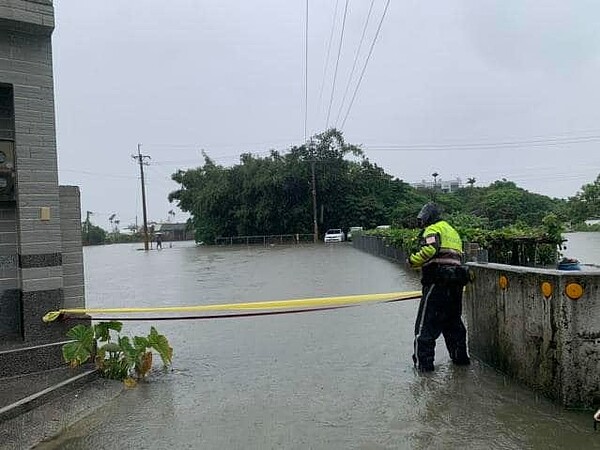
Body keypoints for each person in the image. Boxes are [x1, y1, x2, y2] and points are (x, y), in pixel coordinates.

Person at [408, 202, 470, 372]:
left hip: (437, 283)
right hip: (456, 284)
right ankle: (461, 363)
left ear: (428, 217)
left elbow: (430, 250)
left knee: (425, 328)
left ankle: (423, 370)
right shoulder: (452, 231)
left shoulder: (433, 229)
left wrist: (413, 261)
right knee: (454, 325)